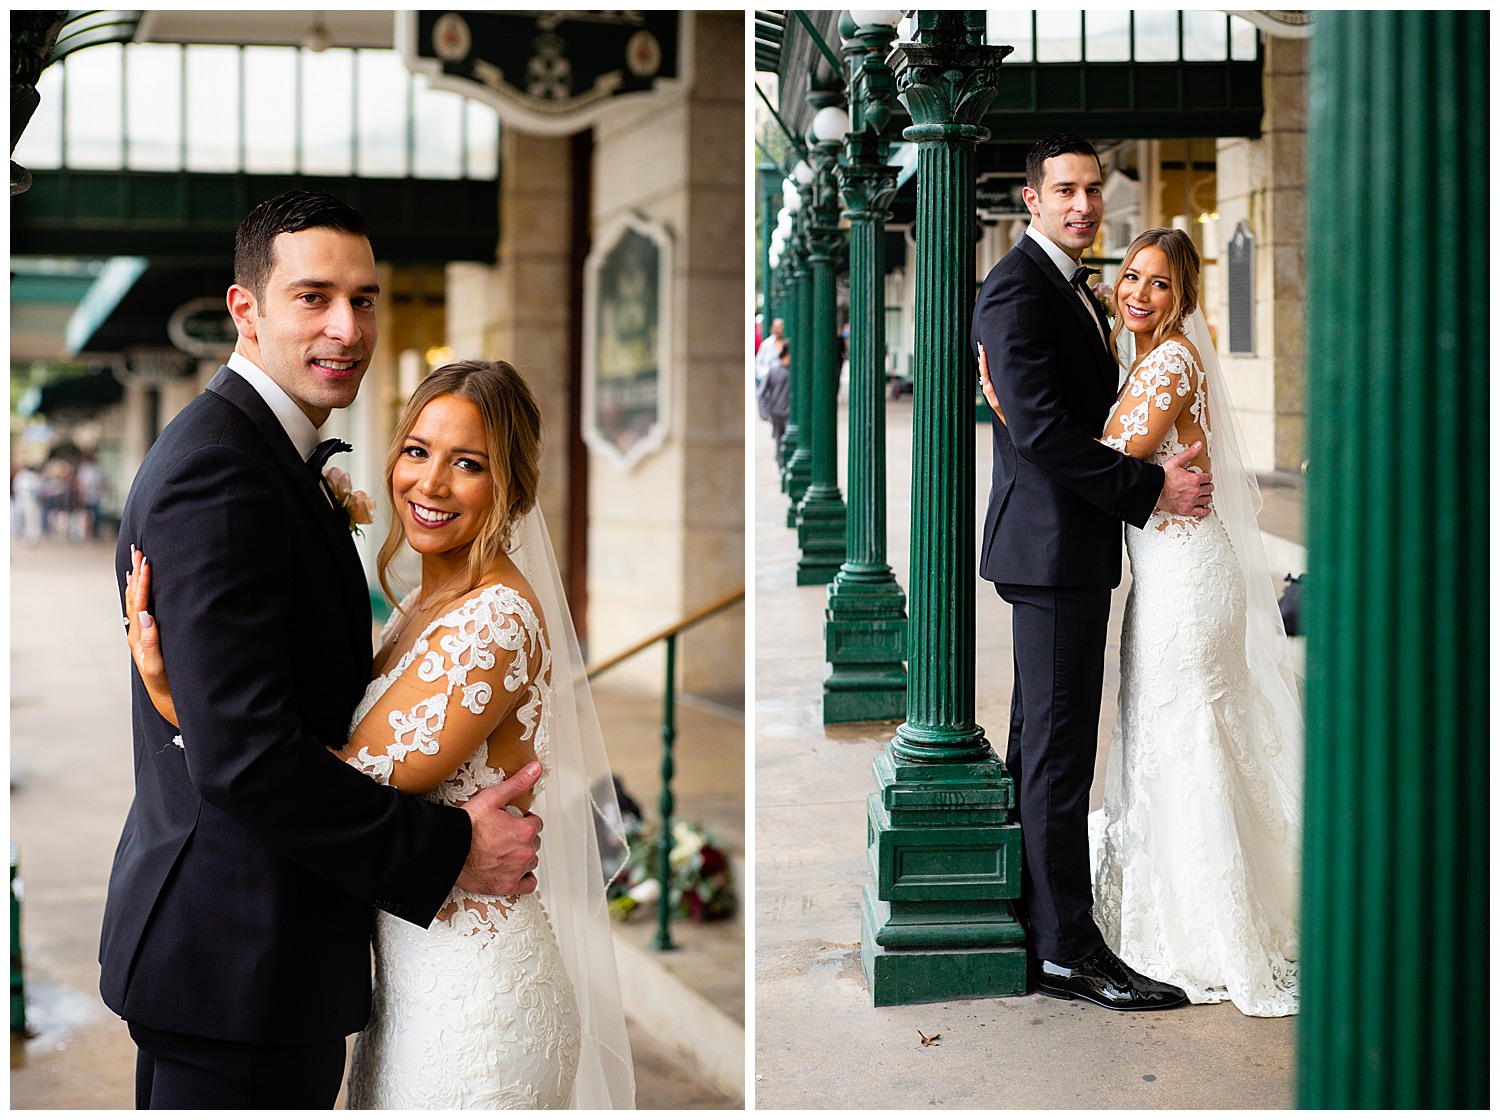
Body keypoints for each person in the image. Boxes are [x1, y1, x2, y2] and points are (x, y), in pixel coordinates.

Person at [100, 191, 547, 1109]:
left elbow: (271, 725)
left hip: (278, 959)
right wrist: (452, 848)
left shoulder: (263, 457)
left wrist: (188, 712)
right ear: (245, 309)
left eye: (366, 298)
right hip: (241, 963)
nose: (347, 326)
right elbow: (252, 758)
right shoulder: (222, 473)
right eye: (313, 297)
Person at [127, 359, 636, 1103]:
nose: (429, 483)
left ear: (513, 486)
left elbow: (320, 785)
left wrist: (177, 696)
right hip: (408, 981)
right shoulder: (422, 610)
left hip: (471, 1000)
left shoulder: (491, 622)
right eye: (418, 450)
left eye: (469, 464)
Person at [989, 228, 1302, 1016]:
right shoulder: (1142, 359)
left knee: (1186, 736)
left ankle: (1204, 924)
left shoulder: (1167, 363)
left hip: (1188, 583)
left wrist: (1009, 406)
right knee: (1172, 739)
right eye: (1131, 276)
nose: (1138, 293)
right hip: (1164, 577)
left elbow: (1098, 454)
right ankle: (1169, 904)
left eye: (1160, 285)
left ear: (1184, 298)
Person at [970, 134, 1212, 1012]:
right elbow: (1039, 433)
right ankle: (1070, 951)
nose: (1082, 205)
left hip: (1061, 548)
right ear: (1030, 199)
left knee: (1044, 747)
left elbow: (1071, 414)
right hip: (1052, 549)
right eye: (1065, 190)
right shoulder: (1017, 290)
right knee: (1059, 756)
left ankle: (1044, 928)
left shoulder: (1063, 288)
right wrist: (1148, 487)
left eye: (1092, 192)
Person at [758, 338, 792, 469]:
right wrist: (764, 413)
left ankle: (783, 463)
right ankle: (781, 464)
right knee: (779, 439)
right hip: (778, 411)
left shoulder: (790, 370)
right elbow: (762, 393)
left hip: (782, 410)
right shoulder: (774, 370)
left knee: (781, 439)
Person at [755, 316, 785, 389]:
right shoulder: (766, 344)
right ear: (773, 328)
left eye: (782, 327)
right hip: (768, 381)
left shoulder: (785, 343)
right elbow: (758, 362)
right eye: (778, 327)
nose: (781, 329)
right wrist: (765, 375)